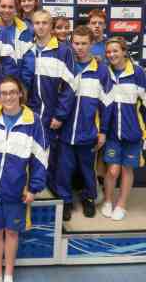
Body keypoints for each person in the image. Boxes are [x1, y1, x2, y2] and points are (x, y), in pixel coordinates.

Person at [0, 76, 48, 282]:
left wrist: (33, 188)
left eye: (13, 92)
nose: (8, 97)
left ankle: (8, 275)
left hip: (17, 191)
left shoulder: (33, 121)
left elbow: (41, 158)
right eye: (4, 93)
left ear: (20, 94)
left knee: (12, 233)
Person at [55, 26, 112, 220]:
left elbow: (107, 104)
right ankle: (65, 201)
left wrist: (103, 131)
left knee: (87, 169)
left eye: (84, 43)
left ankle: (89, 198)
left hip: (88, 132)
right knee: (64, 169)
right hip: (65, 130)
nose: (79, 47)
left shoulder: (101, 71)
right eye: (76, 43)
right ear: (71, 43)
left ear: (92, 44)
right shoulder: (66, 66)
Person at [21, 10, 75, 189]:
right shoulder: (28, 50)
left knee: (52, 155)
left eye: (45, 23)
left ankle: (51, 190)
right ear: (32, 26)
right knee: (31, 152)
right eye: (37, 23)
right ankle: (34, 190)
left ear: (51, 26)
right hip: (32, 113)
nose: (41, 26)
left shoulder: (63, 51)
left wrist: (60, 115)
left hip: (52, 115)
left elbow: (70, 87)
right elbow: (23, 84)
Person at [101, 37, 146, 221]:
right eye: (108, 52)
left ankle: (121, 204)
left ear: (124, 51)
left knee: (127, 169)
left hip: (133, 132)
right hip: (112, 132)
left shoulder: (137, 72)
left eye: (115, 51)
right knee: (112, 170)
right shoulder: (105, 73)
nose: (112, 55)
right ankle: (107, 200)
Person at [0, 0, 34, 67]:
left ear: (16, 9)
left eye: (11, 7)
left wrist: (24, 75)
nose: (7, 10)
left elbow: (29, 60)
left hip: (18, 74)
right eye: (3, 6)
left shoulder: (24, 30)